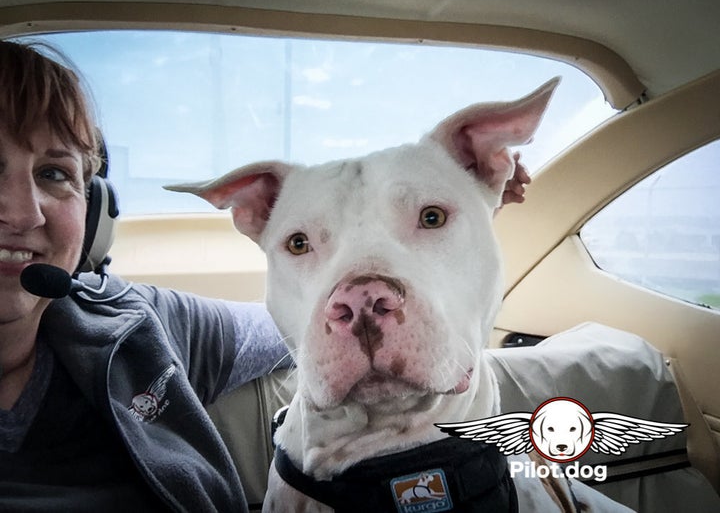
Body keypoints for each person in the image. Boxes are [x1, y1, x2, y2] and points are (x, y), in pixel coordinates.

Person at [0, 39, 531, 512]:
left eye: (54, 174)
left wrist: (469, 202)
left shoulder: (137, 324)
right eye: (299, 243)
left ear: (94, 209)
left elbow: (293, 325)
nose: (25, 214)